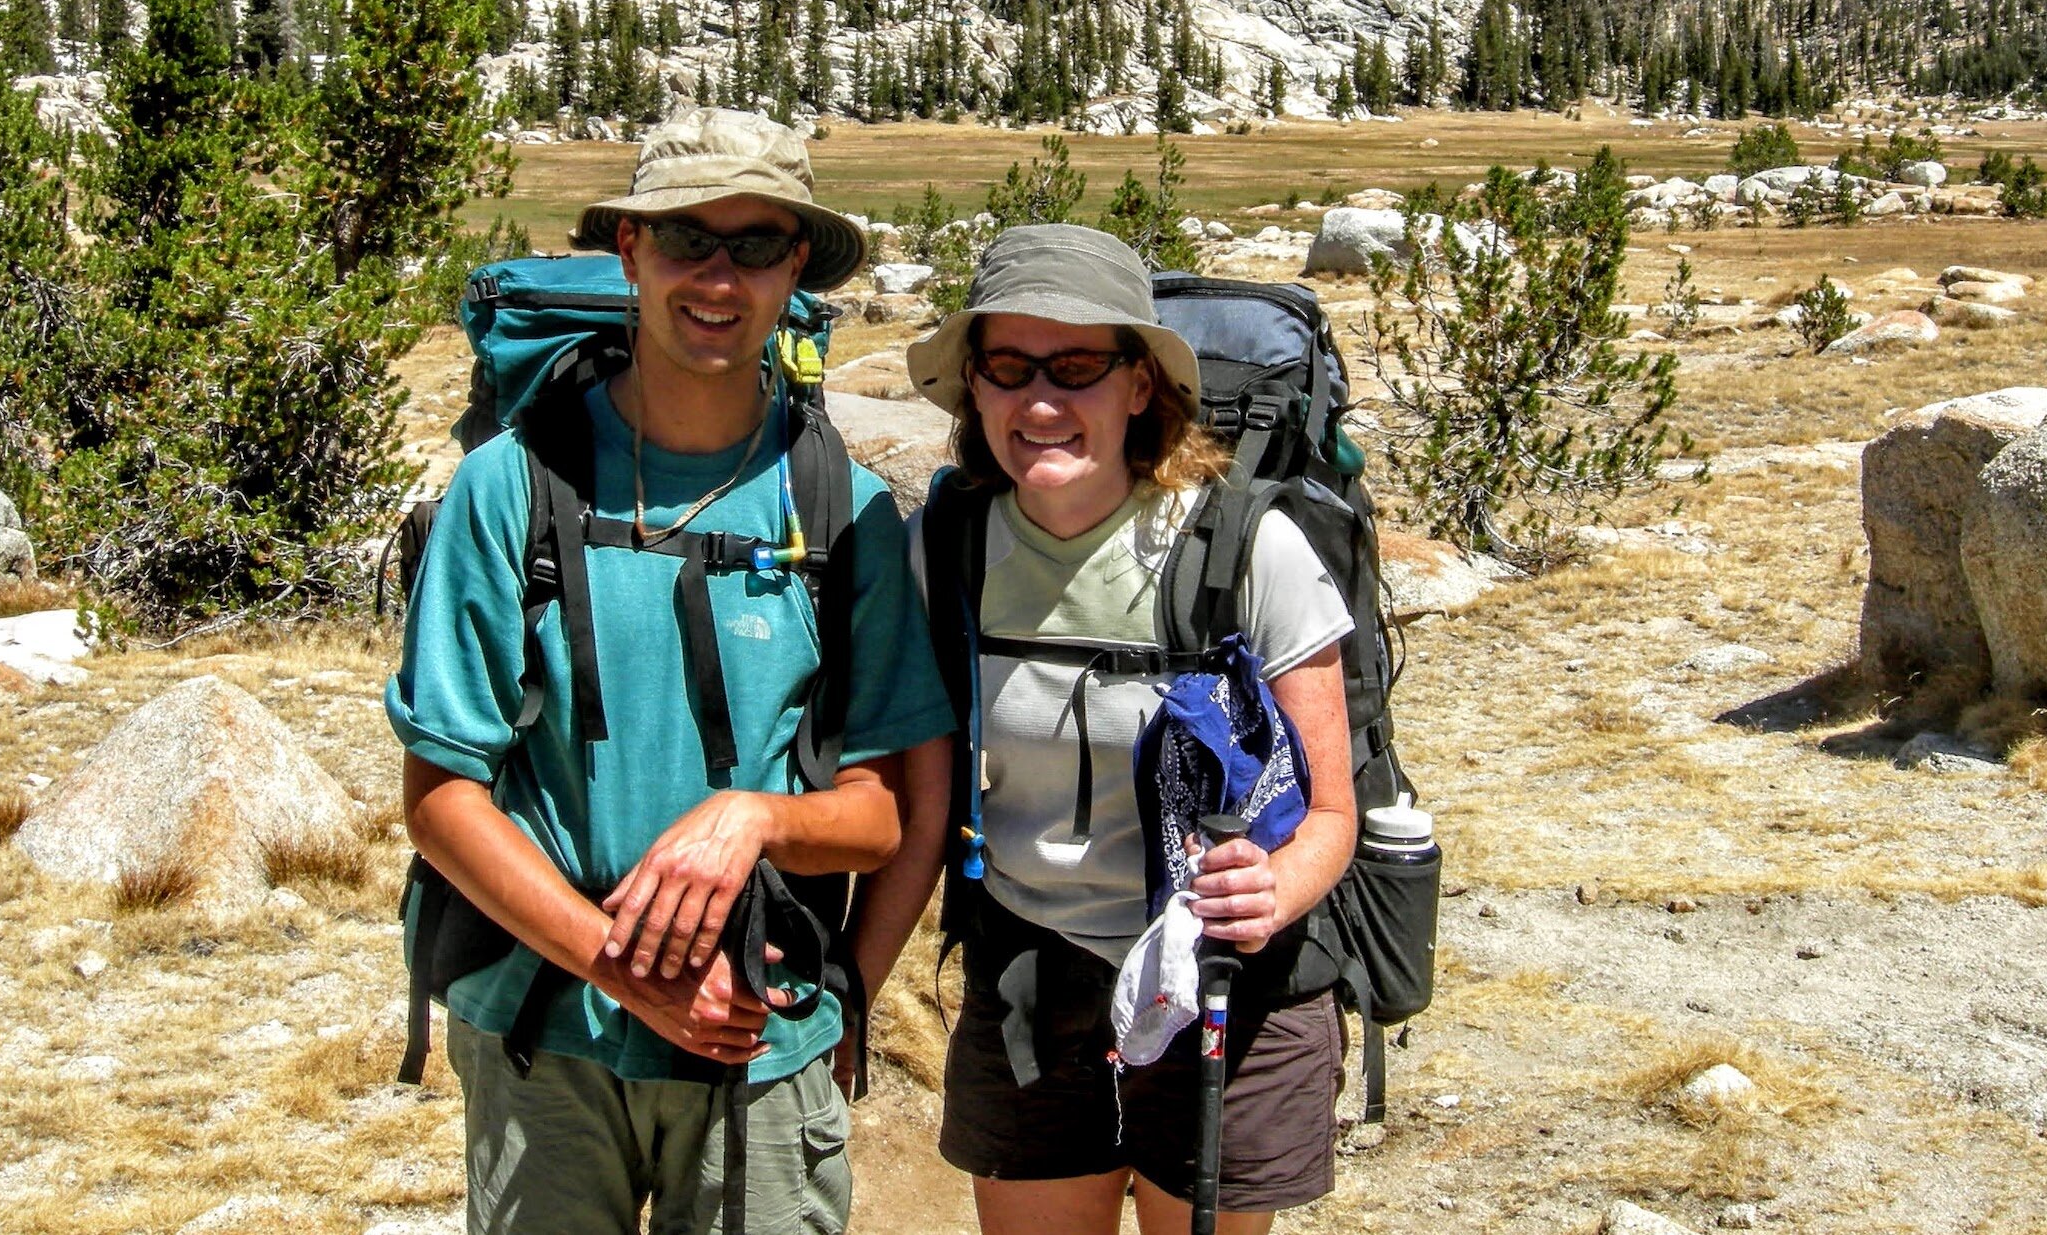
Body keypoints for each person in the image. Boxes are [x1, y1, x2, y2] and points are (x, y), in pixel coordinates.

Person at [388, 107, 954, 1235]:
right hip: (542, 1024)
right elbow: (441, 800)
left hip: (761, 1026)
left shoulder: (840, 510)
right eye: (688, 237)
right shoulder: (513, 486)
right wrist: (620, 968)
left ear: (795, 266)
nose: (718, 275)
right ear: (630, 253)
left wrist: (758, 830)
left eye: (754, 246)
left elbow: (892, 813)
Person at [890, 223, 1359, 1235]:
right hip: (1026, 972)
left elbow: (1330, 814)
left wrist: (1273, 888)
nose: (1040, 401)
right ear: (972, 388)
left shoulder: (1248, 546)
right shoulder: (945, 547)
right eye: (1007, 368)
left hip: (1229, 974)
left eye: (1077, 368)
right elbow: (916, 795)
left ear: (1141, 386)